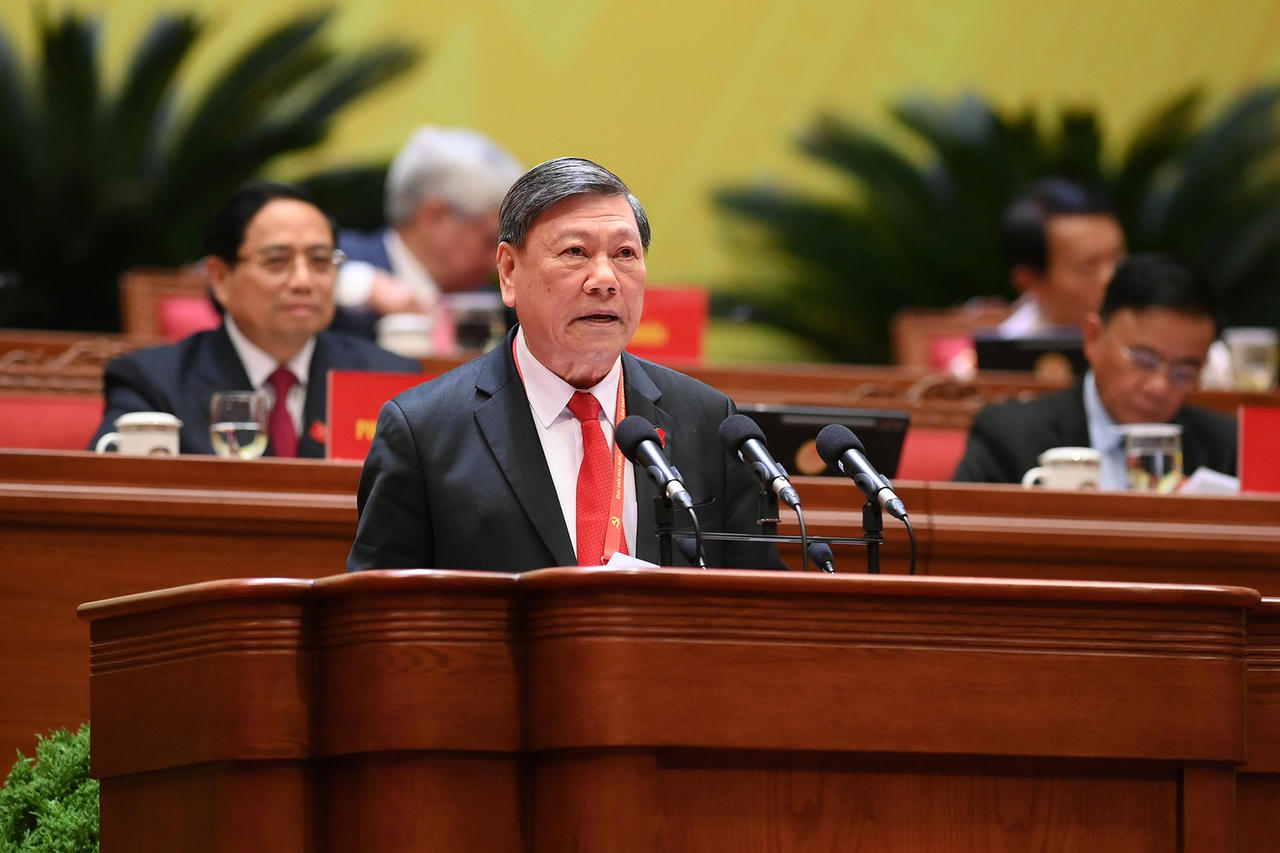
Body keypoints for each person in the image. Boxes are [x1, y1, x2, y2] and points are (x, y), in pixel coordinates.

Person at [348, 157, 781, 573]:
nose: (605, 279)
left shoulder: (709, 421)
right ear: (509, 272)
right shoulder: (423, 431)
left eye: (625, 253)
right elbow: (378, 609)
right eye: (575, 252)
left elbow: (755, 599)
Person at [92, 181, 420, 457]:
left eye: (320, 261)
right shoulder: (154, 384)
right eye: (277, 261)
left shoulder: (390, 380)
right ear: (220, 277)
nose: (303, 282)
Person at [954, 253, 1236, 487]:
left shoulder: (1226, 448)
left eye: (1184, 371)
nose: (1159, 387)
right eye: (1144, 360)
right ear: (1093, 337)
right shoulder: (1009, 437)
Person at [333, 126, 524, 342]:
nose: (497, 261)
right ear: (435, 217)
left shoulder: (490, 304)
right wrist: (361, 286)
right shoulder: (340, 258)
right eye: (490, 241)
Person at [996, 177, 1127, 338]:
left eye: (1119, 259)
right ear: (1028, 281)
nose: (1112, 279)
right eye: (1088, 267)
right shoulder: (1005, 352)